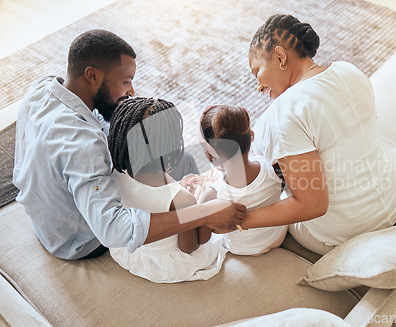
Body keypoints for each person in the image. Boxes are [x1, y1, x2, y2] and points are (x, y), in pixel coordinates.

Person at [12, 29, 245, 260]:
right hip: (79, 240)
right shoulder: (84, 145)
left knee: (155, 149)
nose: (130, 91)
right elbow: (113, 230)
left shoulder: (41, 88)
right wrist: (202, 214)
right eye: (125, 82)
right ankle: (190, 215)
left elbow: (94, 123)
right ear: (92, 75)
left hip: (46, 222)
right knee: (183, 161)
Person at [243, 14, 396, 255]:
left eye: (257, 72)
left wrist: (242, 221)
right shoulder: (348, 69)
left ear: (280, 57)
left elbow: (313, 205)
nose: (258, 86)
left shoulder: (285, 112)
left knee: (265, 176)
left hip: (352, 232)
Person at [107, 97, 227, 282]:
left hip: (131, 249)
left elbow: (150, 198)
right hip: (168, 264)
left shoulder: (114, 172)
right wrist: (203, 203)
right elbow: (189, 247)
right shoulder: (182, 200)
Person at [198, 105, 287, 256]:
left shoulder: (213, 194)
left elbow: (201, 238)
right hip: (277, 237)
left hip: (242, 249)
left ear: (210, 156)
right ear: (251, 136)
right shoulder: (272, 168)